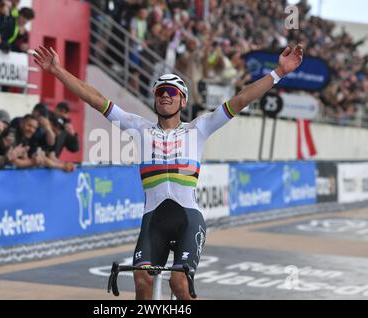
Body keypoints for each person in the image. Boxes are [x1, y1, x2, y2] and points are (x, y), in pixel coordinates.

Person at [33, 43, 303, 299]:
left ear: (182, 100)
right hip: (154, 222)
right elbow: (95, 99)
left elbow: (242, 98)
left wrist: (278, 72)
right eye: (160, 91)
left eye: (171, 92)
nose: (164, 95)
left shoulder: (199, 128)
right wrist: (57, 70)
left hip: (188, 219)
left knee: (179, 283)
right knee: (141, 281)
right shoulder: (139, 128)